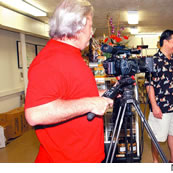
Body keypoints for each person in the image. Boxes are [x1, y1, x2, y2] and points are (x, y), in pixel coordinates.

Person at [25, 0, 113, 163]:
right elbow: (35, 113)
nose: (91, 33)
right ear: (78, 26)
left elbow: (73, 95)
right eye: (90, 27)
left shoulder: (71, 55)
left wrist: (103, 95)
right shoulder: (52, 59)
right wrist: (90, 104)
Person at [145, 30, 173, 163]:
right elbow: (149, 84)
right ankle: (155, 161)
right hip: (161, 106)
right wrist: (154, 105)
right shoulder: (152, 61)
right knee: (157, 135)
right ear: (165, 42)